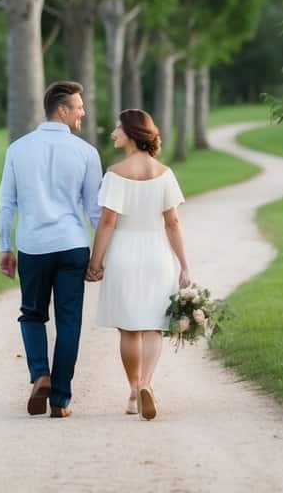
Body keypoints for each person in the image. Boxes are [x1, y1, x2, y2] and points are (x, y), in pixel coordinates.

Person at [0, 81, 102, 419]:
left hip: (33, 246)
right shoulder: (86, 153)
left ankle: (40, 373)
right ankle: (60, 399)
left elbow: (6, 204)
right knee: (69, 322)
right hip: (72, 246)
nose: (83, 111)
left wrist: (4, 246)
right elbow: (96, 212)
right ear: (62, 110)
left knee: (32, 314)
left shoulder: (18, 149)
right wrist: (100, 256)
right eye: (79, 106)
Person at [86, 108, 190, 421]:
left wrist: (95, 262)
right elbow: (173, 222)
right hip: (158, 254)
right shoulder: (165, 172)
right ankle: (147, 383)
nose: (113, 133)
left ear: (131, 134)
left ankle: (133, 391)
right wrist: (184, 265)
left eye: (118, 128)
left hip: (124, 254)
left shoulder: (116, 172)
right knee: (154, 326)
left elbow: (107, 222)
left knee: (130, 329)